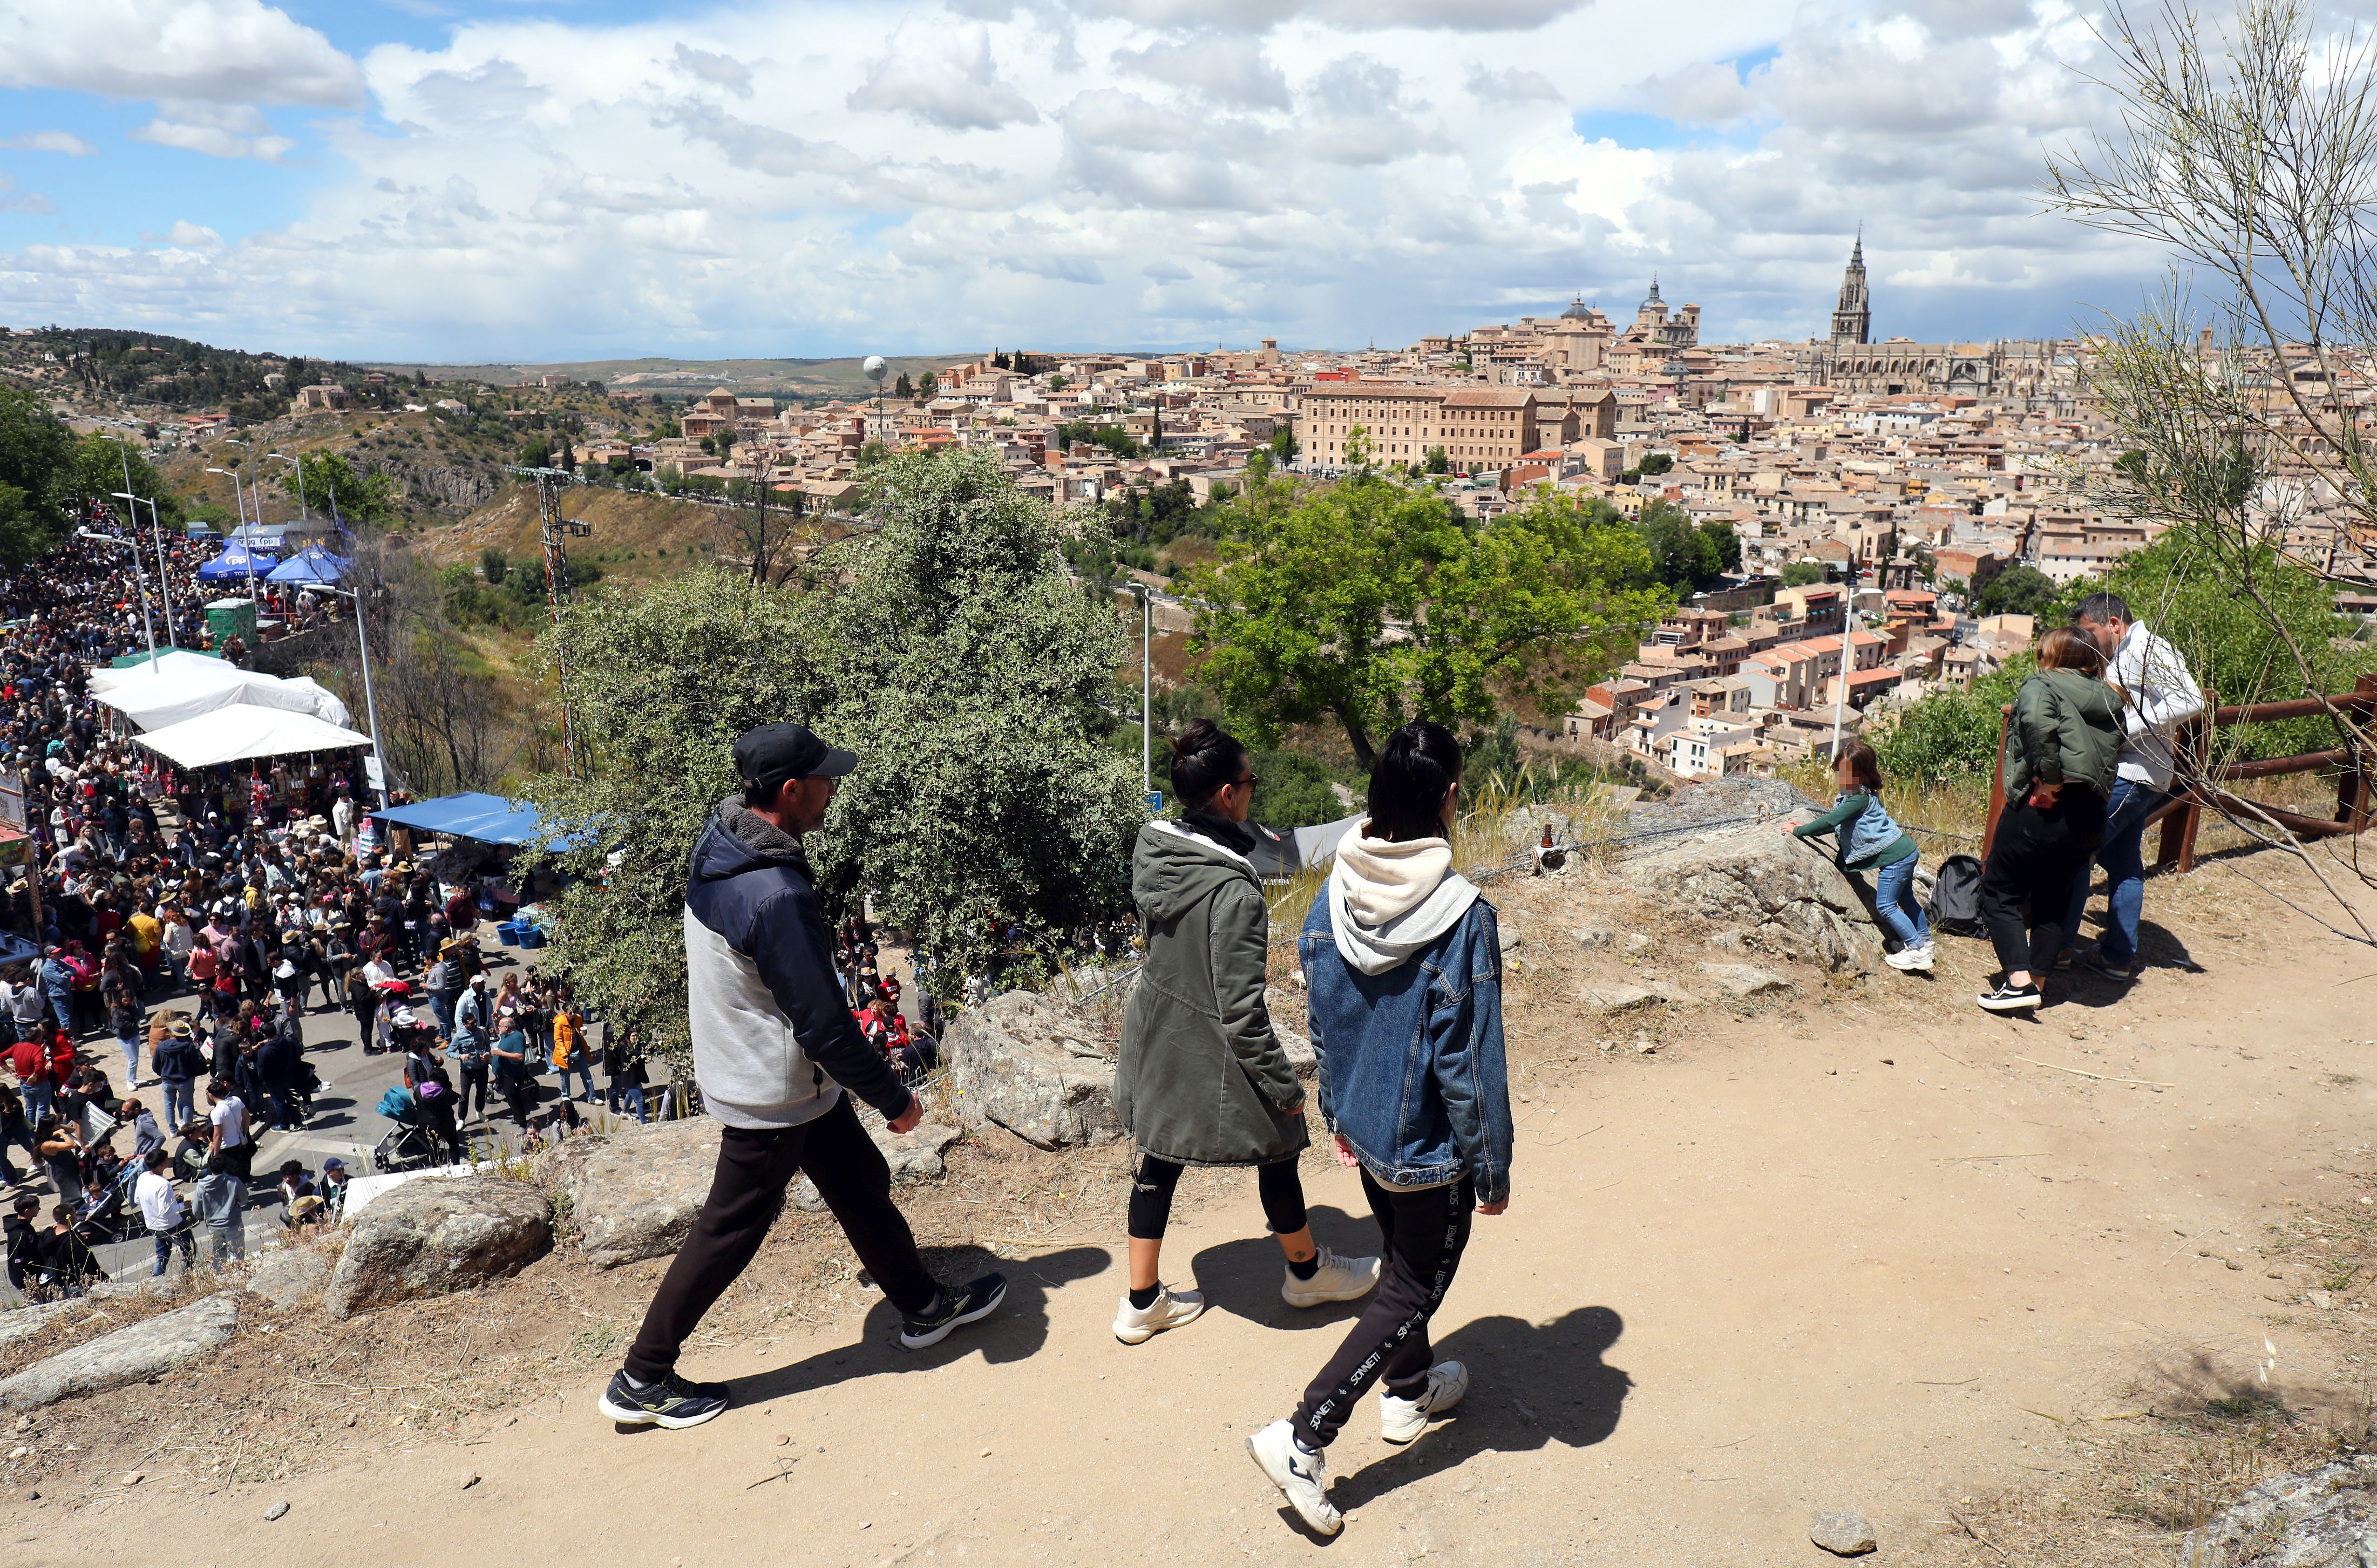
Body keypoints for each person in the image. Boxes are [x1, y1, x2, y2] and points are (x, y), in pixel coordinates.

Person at [602, 722, 1007, 1431]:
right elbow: (822, 1026)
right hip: (774, 1089)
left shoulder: (722, 839)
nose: (832, 788)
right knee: (729, 1232)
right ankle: (642, 1376)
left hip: (775, 1074)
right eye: (823, 779)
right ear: (791, 791)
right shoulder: (778, 894)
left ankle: (921, 1305)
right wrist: (894, 1099)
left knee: (859, 1183)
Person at [1249, 721, 1515, 1538]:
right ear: (1449, 798)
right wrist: (1491, 1169)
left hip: (1360, 1125)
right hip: (1429, 1149)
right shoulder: (1460, 915)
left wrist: (1337, 1108)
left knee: (1400, 1256)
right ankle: (1302, 1435)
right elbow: (1468, 1066)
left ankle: (1410, 1391)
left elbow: (1321, 1011)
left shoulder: (1335, 886)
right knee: (1413, 1282)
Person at [1112, 719, 1377, 1346]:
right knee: (1281, 1136)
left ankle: (1141, 1301)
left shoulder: (1156, 851)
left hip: (1155, 1030)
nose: (1254, 791)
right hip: (1209, 1037)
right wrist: (1285, 1085)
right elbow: (1240, 1009)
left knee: (1158, 1154)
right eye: (1251, 781)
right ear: (1229, 794)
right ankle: (1307, 1272)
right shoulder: (1235, 889)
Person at [1977, 627, 2126, 1014]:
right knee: (2054, 898)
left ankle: (2018, 982)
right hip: (2090, 812)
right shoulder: (2111, 698)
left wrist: (2051, 780)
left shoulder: (2042, 685)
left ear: (2054, 655)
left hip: (2044, 806)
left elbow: (2039, 728)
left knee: (1998, 891)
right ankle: (2038, 982)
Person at [2064, 592, 2206, 980]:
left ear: (2113, 623)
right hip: (2140, 774)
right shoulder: (2128, 651)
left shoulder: (2147, 648)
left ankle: (2058, 948)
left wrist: (2129, 727)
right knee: (2124, 865)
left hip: (2132, 773)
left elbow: (2193, 699)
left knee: (2076, 851)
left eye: (2090, 631)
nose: (2088, 640)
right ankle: (2116, 957)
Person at [1786, 739, 1931, 972]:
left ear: (1863, 775)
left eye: (1848, 775)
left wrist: (1800, 830)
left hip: (1895, 859)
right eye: (1840, 773)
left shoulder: (1858, 800)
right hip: (1906, 851)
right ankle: (1924, 940)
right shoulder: (1865, 794)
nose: (1842, 779)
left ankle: (1916, 951)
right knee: (1907, 901)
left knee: (1886, 906)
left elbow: (1831, 821)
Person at [195, 1077, 252, 1266]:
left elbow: (217, 1135)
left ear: (211, 1095)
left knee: (227, 1180)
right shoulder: (235, 1100)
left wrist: (214, 1155)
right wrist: (243, 1133)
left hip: (226, 1148)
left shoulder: (217, 1111)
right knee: (238, 1176)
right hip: (238, 1143)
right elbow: (247, 1116)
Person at [137, 1146, 195, 1276]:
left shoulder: (143, 1177)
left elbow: (137, 1199)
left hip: (153, 1224)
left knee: (162, 1254)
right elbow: (166, 1212)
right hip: (171, 1225)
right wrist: (184, 1206)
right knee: (189, 1250)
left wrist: (170, 1200)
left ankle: (157, 1280)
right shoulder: (163, 1184)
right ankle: (187, 1278)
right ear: (162, 1164)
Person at [153, 1016, 206, 1132]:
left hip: (168, 1080)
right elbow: (195, 1064)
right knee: (187, 1105)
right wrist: (194, 1075)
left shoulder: (162, 1046)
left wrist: (163, 1074)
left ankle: (172, 1129)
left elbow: (155, 1066)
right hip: (185, 1080)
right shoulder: (188, 1046)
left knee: (169, 1105)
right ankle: (189, 1130)